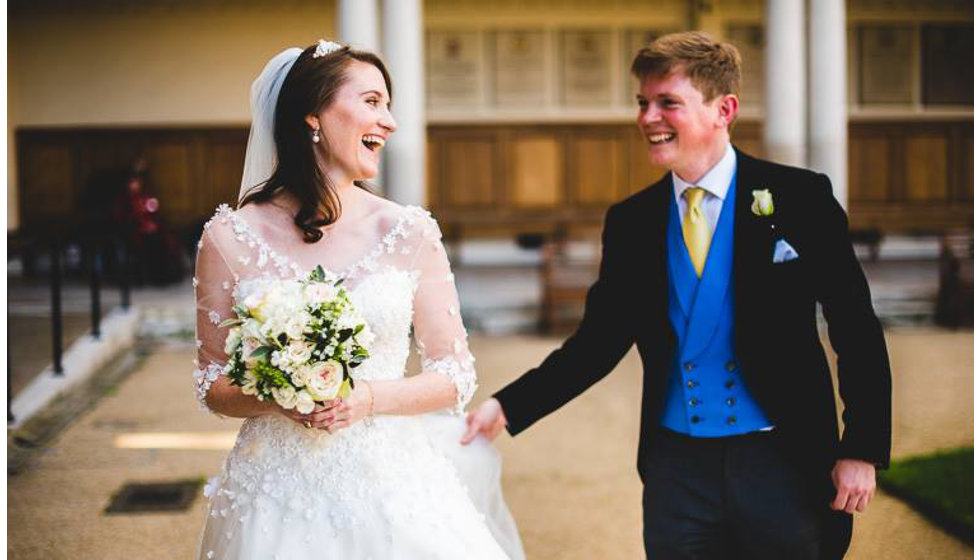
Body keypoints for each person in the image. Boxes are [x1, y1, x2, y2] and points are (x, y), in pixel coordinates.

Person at [464, 31, 891, 559]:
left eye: (668, 102)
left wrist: (862, 448)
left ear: (723, 109)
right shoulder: (632, 221)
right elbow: (597, 343)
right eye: (643, 103)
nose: (648, 118)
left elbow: (855, 324)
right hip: (676, 473)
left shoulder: (800, 197)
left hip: (782, 458)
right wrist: (508, 405)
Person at [194, 40, 524, 559]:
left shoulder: (409, 230)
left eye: (388, 104)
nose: (389, 122)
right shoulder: (229, 238)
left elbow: (455, 374)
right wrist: (284, 397)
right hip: (273, 491)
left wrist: (366, 399)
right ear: (313, 116)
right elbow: (213, 384)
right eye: (372, 102)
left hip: (393, 484)